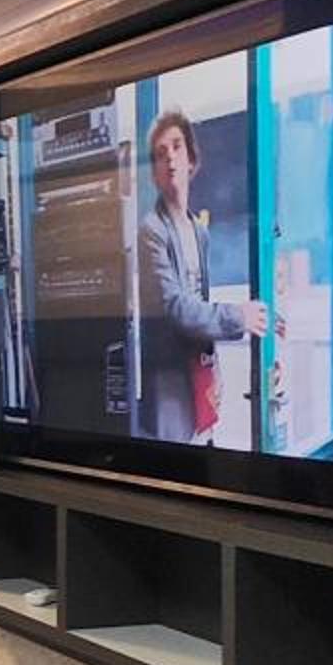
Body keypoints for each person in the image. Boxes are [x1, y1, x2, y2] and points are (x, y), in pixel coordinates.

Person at [136, 110, 270, 443]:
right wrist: (238, 317)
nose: (170, 158)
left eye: (176, 147)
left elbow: (200, 303)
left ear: (191, 159)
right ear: (154, 173)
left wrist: (214, 369)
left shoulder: (199, 231)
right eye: (160, 153)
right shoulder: (151, 231)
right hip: (169, 389)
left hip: (199, 376)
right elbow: (176, 308)